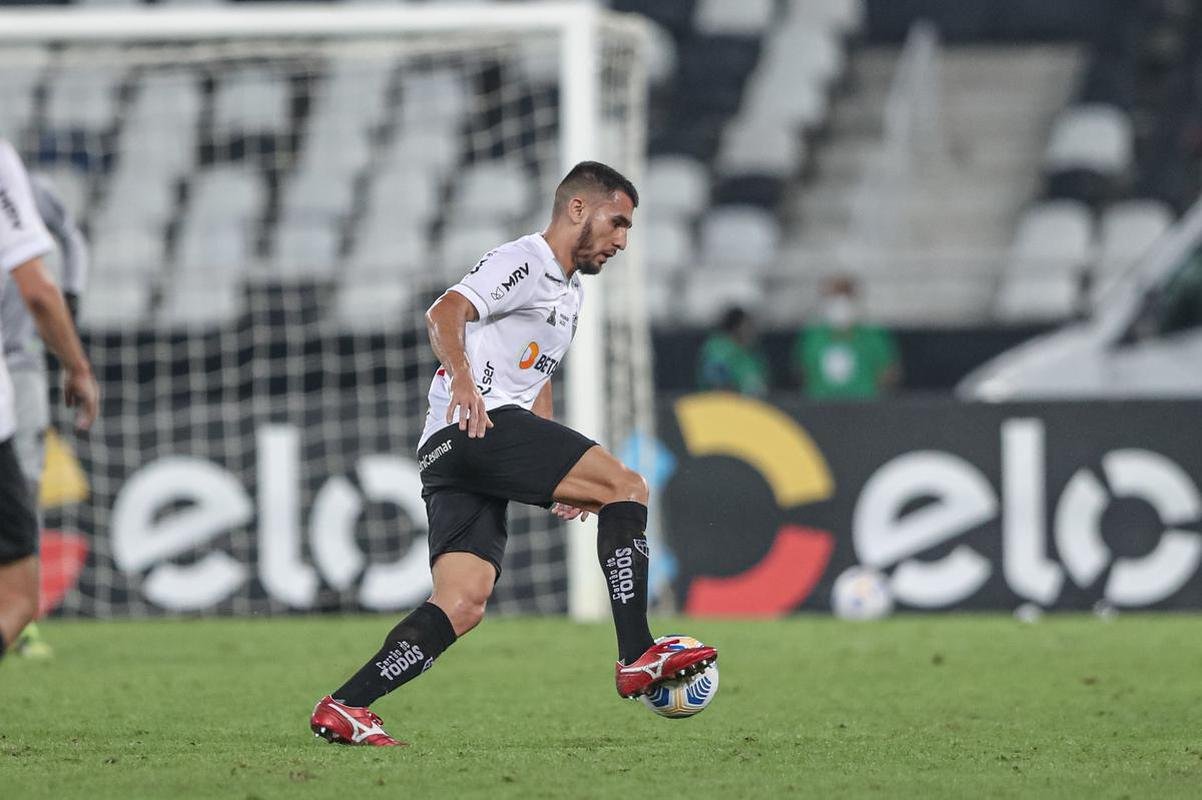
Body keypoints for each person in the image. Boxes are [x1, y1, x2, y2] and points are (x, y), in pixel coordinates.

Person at [310, 161, 716, 747]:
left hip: (449, 449)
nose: (623, 240)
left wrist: (554, 468)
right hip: (477, 424)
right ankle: (637, 654)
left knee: (462, 602)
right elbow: (445, 312)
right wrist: (465, 383)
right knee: (627, 488)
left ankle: (346, 705)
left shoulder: (569, 292)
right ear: (578, 209)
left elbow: (534, 375)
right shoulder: (524, 261)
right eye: (617, 222)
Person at [0, 139, 100, 664]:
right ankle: (15, 607)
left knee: (25, 480)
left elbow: (72, 239)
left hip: (19, 360)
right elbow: (38, 289)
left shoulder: (34, 189)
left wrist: (75, 294)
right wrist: (78, 364)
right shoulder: (4, 166)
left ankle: (25, 617)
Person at [793, 275, 900, 400]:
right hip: (820, 405)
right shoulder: (812, 337)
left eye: (845, 296)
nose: (840, 303)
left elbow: (888, 372)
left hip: (864, 405)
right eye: (834, 297)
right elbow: (801, 371)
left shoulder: (872, 336)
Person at [696, 305, 769, 395]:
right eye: (748, 326)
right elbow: (717, 385)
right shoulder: (719, 349)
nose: (753, 330)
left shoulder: (752, 354)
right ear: (736, 327)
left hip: (752, 406)